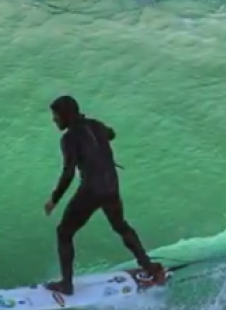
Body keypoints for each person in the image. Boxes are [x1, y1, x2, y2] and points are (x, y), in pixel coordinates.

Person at [43, 95, 164, 295]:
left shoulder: (69, 138)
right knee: (121, 226)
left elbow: (68, 172)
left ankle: (66, 284)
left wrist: (54, 199)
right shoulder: (96, 125)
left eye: (56, 115)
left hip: (91, 190)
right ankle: (149, 267)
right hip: (111, 186)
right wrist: (100, 135)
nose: (54, 120)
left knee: (64, 233)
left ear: (65, 115)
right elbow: (112, 133)